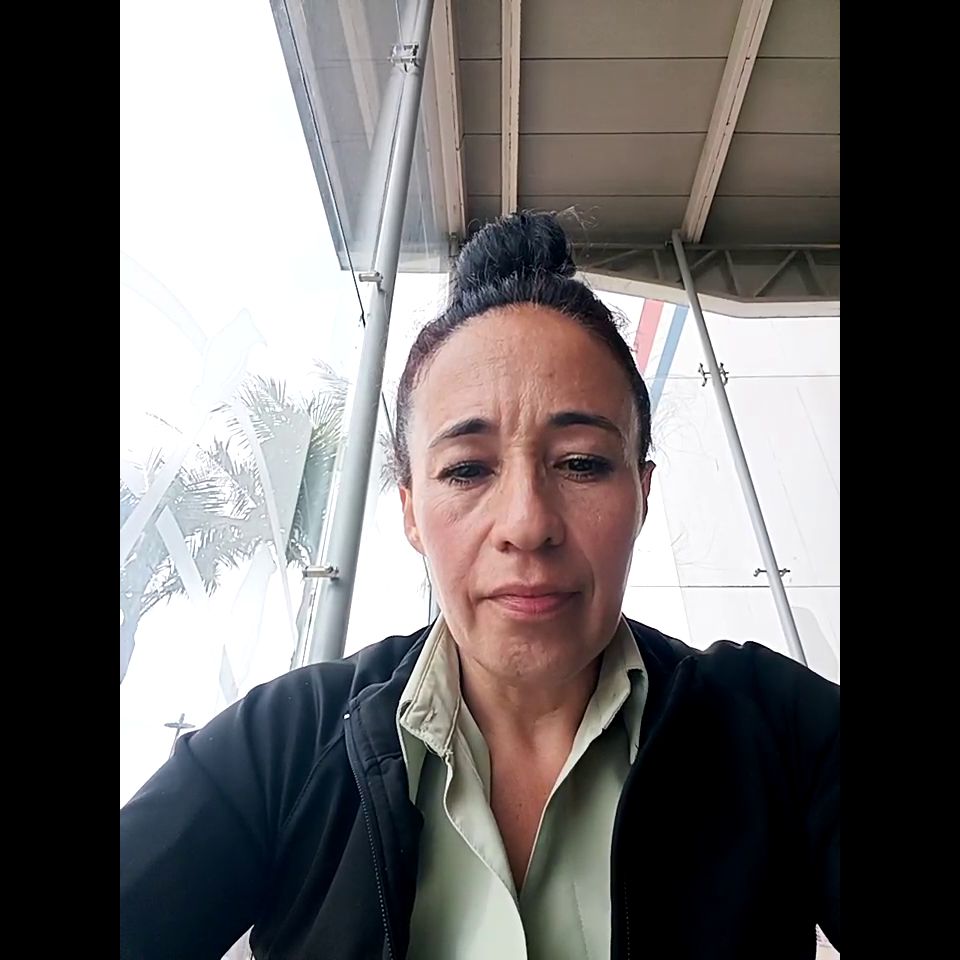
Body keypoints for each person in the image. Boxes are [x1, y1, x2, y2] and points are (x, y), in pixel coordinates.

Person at [120, 213, 840, 960]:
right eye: (467, 469)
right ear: (410, 509)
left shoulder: (777, 728)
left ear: (642, 493)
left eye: (582, 462)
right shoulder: (286, 745)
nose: (527, 524)